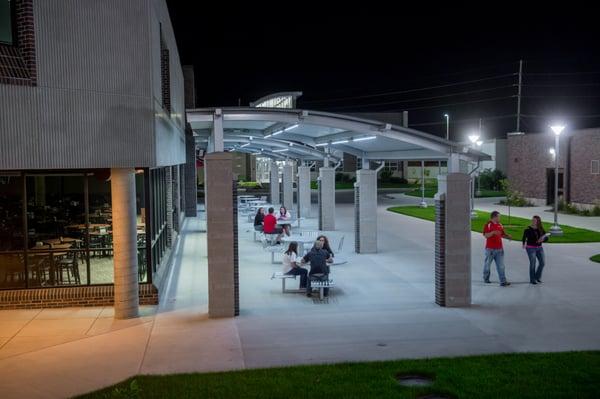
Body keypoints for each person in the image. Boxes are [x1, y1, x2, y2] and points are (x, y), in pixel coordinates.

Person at [482, 210, 512, 286]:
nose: (500, 218)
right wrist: (493, 232)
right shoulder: (488, 225)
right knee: (487, 265)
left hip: (499, 249)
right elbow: (486, 235)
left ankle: (503, 281)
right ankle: (486, 278)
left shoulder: (500, 225)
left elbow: (502, 234)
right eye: (499, 216)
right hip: (490, 249)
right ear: (494, 217)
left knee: (501, 266)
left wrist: (508, 236)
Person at [522, 215, 549, 284]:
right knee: (533, 263)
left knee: (542, 263)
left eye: (535, 220)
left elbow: (546, 238)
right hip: (530, 248)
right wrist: (524, 243)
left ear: (538, 222)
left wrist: (542, 239)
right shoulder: (528, 229)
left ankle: (537, 277)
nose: (533, 221)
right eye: (532, 220)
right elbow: (524, 238)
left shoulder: (540, 229)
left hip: (539, 248)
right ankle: (532, 279)